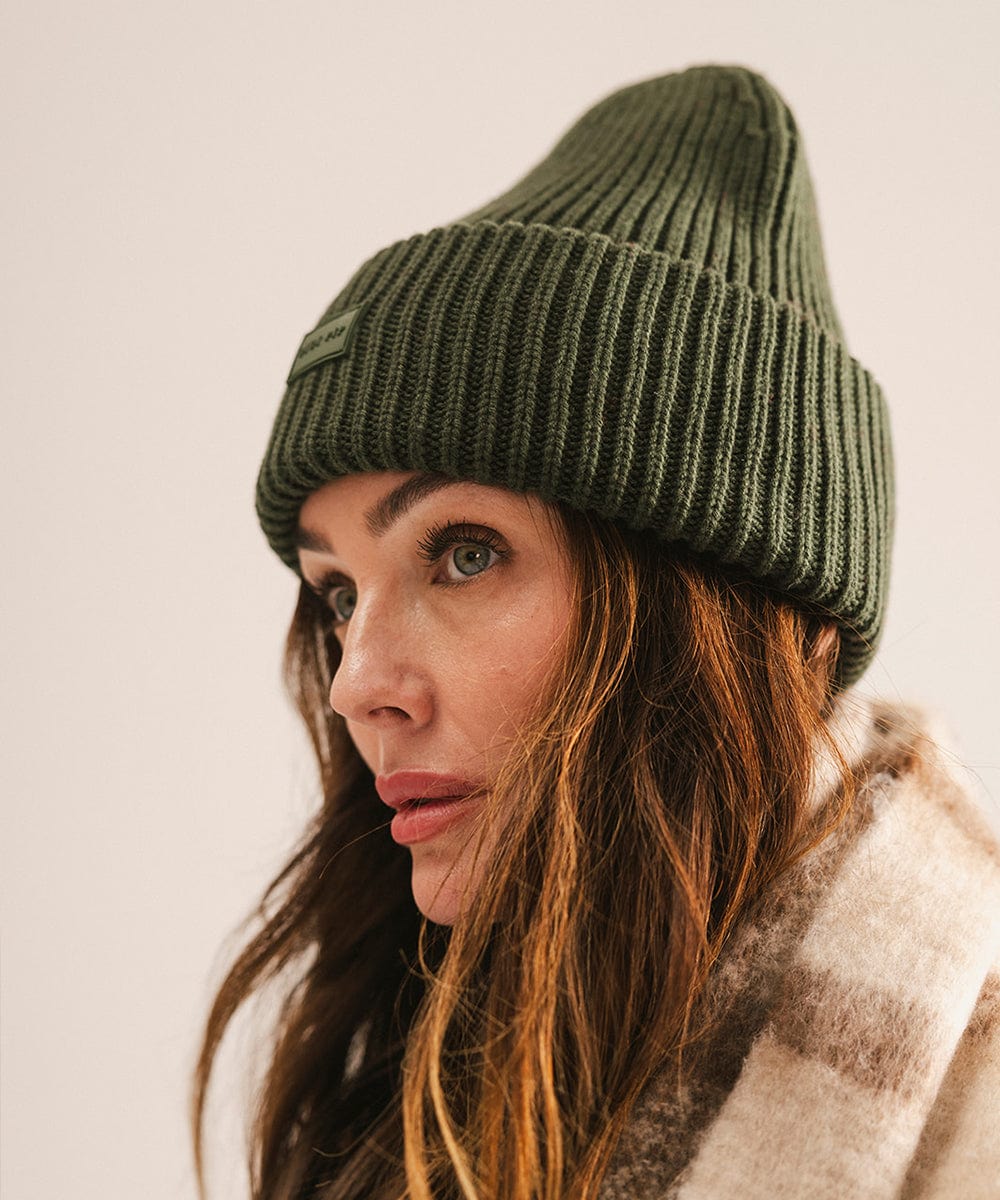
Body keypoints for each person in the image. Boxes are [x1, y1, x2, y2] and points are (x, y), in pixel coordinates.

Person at [191, 65, 1000, 1200]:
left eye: (463, 551)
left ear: (744, 606)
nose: (356, 684)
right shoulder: (411, 1101)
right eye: (336, 594)